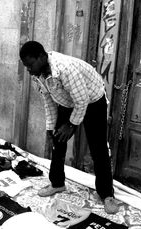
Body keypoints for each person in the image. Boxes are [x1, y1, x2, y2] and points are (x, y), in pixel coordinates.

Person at [19, 41, 119, 214]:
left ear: (42, 57)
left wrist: (71, 125)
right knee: (57, 140)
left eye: (30, 65)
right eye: (26, 67)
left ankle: (107, 194)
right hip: (68, 101)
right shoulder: (38, 75)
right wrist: (50, 128)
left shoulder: (65, 68)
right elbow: (49, 102)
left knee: (98, 148)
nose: (29, 70)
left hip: (93, 100)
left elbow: (82, 101)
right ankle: (57, 183)